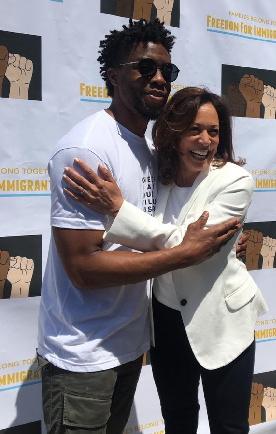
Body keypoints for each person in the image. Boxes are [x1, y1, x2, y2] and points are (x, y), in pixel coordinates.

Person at [37, 20, 243, 434]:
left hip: (129, 346)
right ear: (114, 76)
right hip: (84, 356)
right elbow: (82, 268)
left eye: (168, 71)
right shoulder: (88, 149)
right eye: (145, 68)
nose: (160, 78)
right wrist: (184, 253)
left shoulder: (149, 151)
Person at [63, 87, 268, 434]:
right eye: (194, 129)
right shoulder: (159, 176)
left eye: (214, 131)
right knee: (178, 419)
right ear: (174, 133)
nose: (205, 140)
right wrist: (177, 242)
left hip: (223, 319)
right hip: (166, 321)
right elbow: (181, 243)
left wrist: (118, 210)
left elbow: (192, 249)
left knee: (229, 426)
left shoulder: (235, 180)